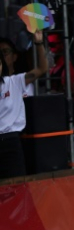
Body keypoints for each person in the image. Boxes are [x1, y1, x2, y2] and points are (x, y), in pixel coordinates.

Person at [0, 29, 47, 178]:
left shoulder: (13, 81)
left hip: (11, 143)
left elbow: (42, 68)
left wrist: (38, 43)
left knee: (17, 189)